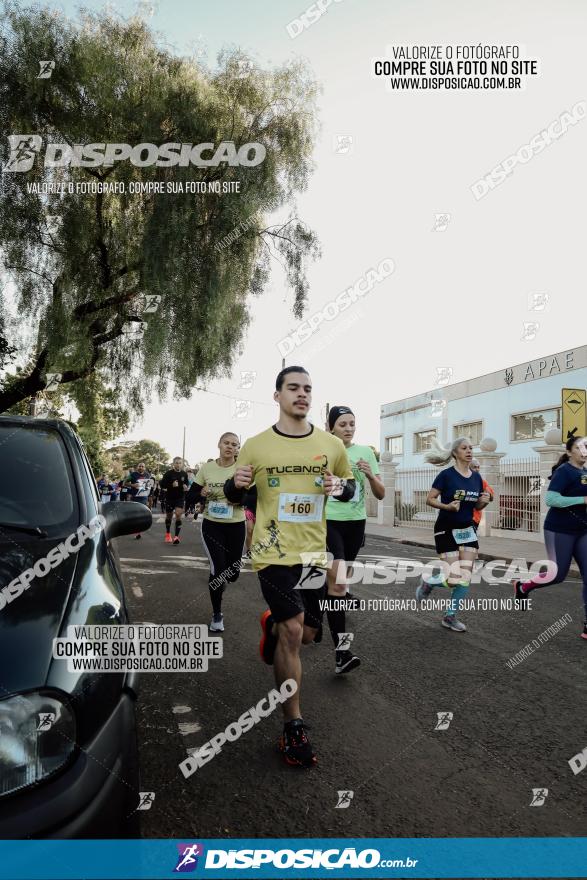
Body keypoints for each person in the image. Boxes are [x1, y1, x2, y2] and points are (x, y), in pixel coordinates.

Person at [224, 366, 355, 767]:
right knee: (294, 629)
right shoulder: (257, 446)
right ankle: (292, 726)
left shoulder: (331, 444)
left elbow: (350, 488)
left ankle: (273, 625)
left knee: (309, 634)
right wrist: (236, 483)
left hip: (313, 553)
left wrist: (341, 487)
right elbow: (234, 495)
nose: (302, 394)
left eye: (308, 389)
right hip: (272, 552)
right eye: (293, 388)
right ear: (277, 395)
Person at [325, 406, 385, 674]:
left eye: (352, 423)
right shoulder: (324, 452)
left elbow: (381, 494)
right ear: (331, 428)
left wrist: (370, 474)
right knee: (338, 584)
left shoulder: (365, 453)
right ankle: (342, 653)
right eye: (342, 424)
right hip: (328, 520)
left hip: (356, 522)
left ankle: (320, 603)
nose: (348, 428)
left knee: (342, 575)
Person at [513, 433, 587, 639]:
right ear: (570, 451)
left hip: (582, 531)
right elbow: (552, 499)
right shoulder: (564, 471)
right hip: (559, 530)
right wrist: (582, 499)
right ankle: (523, 586)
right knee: (558, 574)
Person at [416, 438, 490, 631]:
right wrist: (446, 506)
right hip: (446, 529)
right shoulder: (446, 476)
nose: (469, 451)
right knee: (453, 579)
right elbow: (430, 499)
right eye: (464, 448)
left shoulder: (476, 478)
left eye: (471, 448)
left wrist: (485, 500)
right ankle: (428, 582)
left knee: (465, 575)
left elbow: (477, 505)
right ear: (455, 453)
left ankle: (450, 616)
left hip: (467, 530)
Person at [187, 433, 245, 632]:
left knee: (233, 573)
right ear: (219, 444)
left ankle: (224, 580)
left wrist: (239, 500)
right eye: (226, 443)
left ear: (238, 448)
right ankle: (217, 614)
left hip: (236, 524)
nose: (230, 447)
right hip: (212, 525)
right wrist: (200, 493)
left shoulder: (242, 468)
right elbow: (190, 496)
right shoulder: (207, 468)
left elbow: (255, 497)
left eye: (234, 444)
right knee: (218, 570)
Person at [159, 458, 189, 544]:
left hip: (180, 497)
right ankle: (168, 533)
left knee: (178, 514)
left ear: (182, 464)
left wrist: (186, 486)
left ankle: (176, 537)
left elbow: (186, 483)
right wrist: (171, 485)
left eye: (180, 463)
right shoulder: (168, 473)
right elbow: (162, 485)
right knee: (169, 516)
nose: (178, 465)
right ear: (173, 464)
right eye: (176, 463)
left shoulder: (184, 474)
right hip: (170, 498)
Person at [125, 462, 153, 539]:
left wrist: (149, 492)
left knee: (141, 514)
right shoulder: (133, 475)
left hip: (143, 496)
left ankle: (138, 532)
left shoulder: (147, 475)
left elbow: (149, 486)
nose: (141, 467)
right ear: (137, 467)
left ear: (145, 467)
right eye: (140, 466)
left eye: (142, 466)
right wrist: (133, 485)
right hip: (135, 497)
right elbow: (125, 482)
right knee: (136, 514)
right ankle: (136, 530)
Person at [470, 459, 494, 529]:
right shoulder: (462, 480)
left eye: (478, 467)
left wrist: (488, 495)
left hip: (475, 518)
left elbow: (491, 496)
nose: (477, 469)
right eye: (474, 467)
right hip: (463, 517)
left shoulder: (481, 482)